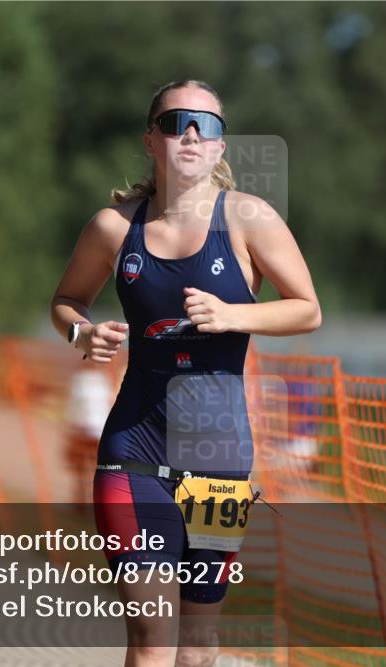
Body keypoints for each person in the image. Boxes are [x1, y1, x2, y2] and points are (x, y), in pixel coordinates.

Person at [50, 79, 321, 667]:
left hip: (220, 464)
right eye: (176, 122)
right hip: (134, 454)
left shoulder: (249, 218)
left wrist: (232, 314)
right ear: (152, 139)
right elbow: (66, 302)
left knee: (197, 647)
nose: (192, 133)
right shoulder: (114, 229)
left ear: (222, 148)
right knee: (152, 638)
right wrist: (83, 333)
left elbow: (307, 308)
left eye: (208, 125)